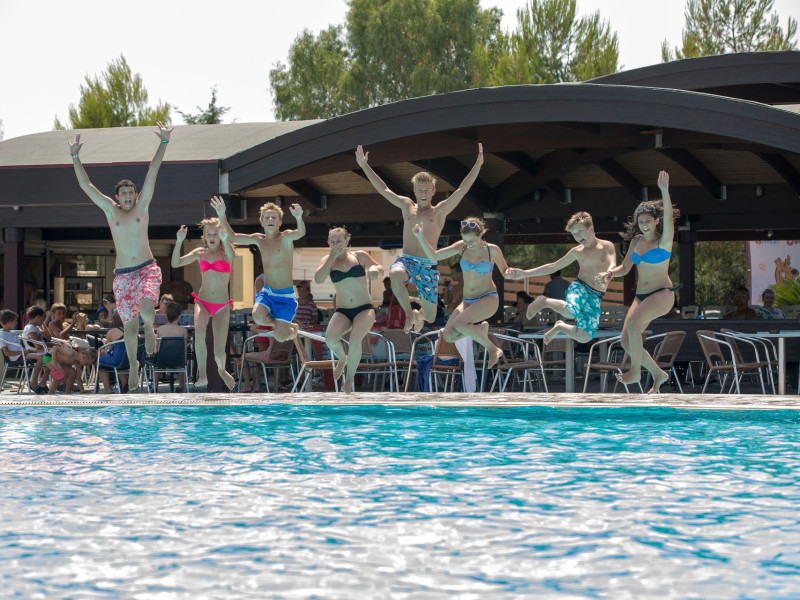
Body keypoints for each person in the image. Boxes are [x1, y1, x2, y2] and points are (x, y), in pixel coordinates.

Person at [69, 123, 173, 390]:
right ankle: (134, 366)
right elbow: (86, 185)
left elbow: (153, 171)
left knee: (147, 310)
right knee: (129, 328)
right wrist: (75, 156)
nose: (128, 196)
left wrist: (163, 142)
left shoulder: (142, 206)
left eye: (131, 192)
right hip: (123, 277)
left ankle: (150, 330)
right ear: (116, 197)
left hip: (147, 269)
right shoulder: (110, 210)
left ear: (136, 195)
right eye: (123, 193)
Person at [356, 143, 484, 333]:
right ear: (414, 191)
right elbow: (384, 189)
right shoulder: (407, 206)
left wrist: (478, 164)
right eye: (420, 190)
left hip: (427, 264)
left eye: (427, 190)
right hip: (407, 260)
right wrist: (364, 166)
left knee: (430, 316)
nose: (423, 194)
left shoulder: (439, 211)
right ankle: (409, 314)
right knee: (395, 274)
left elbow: (461, 190)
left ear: (433, 191)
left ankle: (418, 315)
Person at [597, 170, 680, 393]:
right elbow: (625, 268)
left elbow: (670, 219)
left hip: (662, 294)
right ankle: (658, 373)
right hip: (641, 296)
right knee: (626, 341)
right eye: (640, 221)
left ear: (656, 221)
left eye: (647, 221)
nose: (644, 225)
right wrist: (608, 274)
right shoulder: (636, 241)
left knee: (634, 325)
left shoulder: (664, 241)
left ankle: (635, 372)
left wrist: (664, 191)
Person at [412, 216, 511, 368]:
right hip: (467, 301)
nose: (468, 244)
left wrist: (513, 272)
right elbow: (434, 256)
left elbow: (505, 272)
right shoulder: (462, 247)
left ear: (481, 234)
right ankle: (479, 330)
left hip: (488, 298)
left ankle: (492, 349)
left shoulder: (492, 250)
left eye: (472, 241)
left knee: (459, 323)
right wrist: (420, 237)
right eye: (465, 240)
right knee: (448, 335)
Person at [508, 211, 617, 345]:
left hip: (596, 295)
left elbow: (612, 263)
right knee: (571, 311)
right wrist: (525, 273)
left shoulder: (606, 246)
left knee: (584, 336)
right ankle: (544, 301)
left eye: (579, 231)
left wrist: (608, 273)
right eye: (574, 234)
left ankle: (560, 326)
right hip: (581, 287)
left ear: (591, 229)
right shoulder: (577, 251)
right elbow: (553, 266)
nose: (577, 236)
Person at [214, 197, 305, 342]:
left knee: (280, 337)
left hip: (286, 297)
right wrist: (221, 215)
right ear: (262, 222)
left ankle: (291, 330)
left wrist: (299, 218)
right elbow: (233, 237)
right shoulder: (259, 239)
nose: (270, 219)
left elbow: (300, 233)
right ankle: (280, 325)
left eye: (274, 217)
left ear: (280, 222)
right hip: (268, 293)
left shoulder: (285, 238)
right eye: (267, 217)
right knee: (257, 317)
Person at [172, 209, 236, 390]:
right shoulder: (200, 253)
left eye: (216, 234)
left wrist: (226, 239)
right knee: (199, 331)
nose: (212, 237)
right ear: (204, 237)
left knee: (219, 353)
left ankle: (222, 370)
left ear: (221, 235)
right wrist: (179, 241)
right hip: (203, 302)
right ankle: (202, 375)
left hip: (222, 306)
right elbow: (176, 263)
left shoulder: (226, 252)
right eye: (209, 234)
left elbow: (232, 257)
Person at [315, 226, 384, 393]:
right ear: (328, 244)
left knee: (355, 339)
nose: (336, 244)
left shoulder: (359, 256)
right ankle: (342, 358)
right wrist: (331, 258)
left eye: (339, 241)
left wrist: (374, 269)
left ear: (347, 241)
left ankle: (349, 379)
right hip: (343, 311)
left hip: (364, 309)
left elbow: (379, 267)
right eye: (332, 242)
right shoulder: (327, 260)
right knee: (330, 340)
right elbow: (318, 279)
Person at [0, 309, 46, 393]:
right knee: (40, 358)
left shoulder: (13, 333)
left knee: (46, 355)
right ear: (9, 322)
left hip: (22, 353)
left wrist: (28, 351)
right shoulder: (2, 335)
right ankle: (33, 382)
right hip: (16, 357)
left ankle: (40, 381)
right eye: (15, 321)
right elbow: (7, 353)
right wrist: (23, 352)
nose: (16, 323)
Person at [154, 302, 191, 391]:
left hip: (162, 360)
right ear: (179, 316)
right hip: (178, 360)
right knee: (183, 362)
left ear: (166, 316)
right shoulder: (183, 331)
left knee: (157, 364)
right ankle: (181, 386)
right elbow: (184, 349)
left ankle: (155, 386)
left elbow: (157, 348)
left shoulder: (160, 329)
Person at [22, 306, 51, 393]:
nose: (43, 320)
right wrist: (51, 346)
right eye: (43, 318)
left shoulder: (36, 328)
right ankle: (36, 382)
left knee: (54, 353)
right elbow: (38, 345)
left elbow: (49, 337)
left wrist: (43, 323)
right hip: (33, 351)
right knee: (52, 354)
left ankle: (43, 382)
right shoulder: (30, 328)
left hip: (41, 349)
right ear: (38, 317)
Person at [97, 312, 127, 394]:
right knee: (121, 360)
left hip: (118, 360)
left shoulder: (111, 332)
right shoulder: (132, 330)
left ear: (113, 320)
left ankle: (108, 389)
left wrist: (104, 352)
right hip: (132, 360)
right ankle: (124, 383)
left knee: (99, 361)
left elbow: (111, 351)